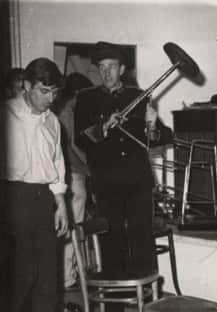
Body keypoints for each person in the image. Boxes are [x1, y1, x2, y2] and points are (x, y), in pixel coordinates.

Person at [75, 42, 171, 281]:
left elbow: (159, 137)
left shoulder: (137, 96)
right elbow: (80, 141)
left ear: (122, 69)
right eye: (102, 67)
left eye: (112, 66)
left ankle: (147, 299)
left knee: (142, 239)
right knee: (111, 238)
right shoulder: (86, 98)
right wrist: (103, 128)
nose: (106, 72)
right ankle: (114, 303)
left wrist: (151, 123)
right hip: (106, 182)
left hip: (138, 180)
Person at [1, 58, 70, 312]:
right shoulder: (6, 114)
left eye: (54, 91)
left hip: (44, 199)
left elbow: (57, 167)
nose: (50, 99)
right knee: (18, 277)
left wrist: (62, 204)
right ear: (27, 86)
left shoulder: (53, 121)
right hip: (11, 197)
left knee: (47, 280)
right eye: (44, 91)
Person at [53, 72, 93, 290]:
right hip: (73, 176)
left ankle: (69, 274)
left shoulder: (62, 110)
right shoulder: (68, 111)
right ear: (78, 93)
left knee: (70, 226)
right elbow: (72, 149)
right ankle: (68, 276)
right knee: (72, 226)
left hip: (71, 176)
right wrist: (90, 168)